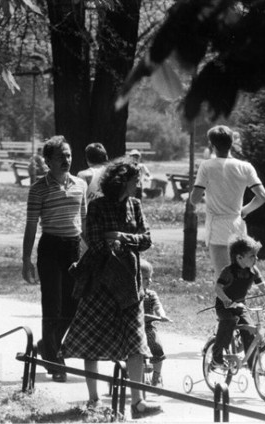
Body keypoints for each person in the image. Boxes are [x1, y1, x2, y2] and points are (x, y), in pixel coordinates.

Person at [60, 158, 163, 418]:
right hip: (100, 283)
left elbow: (146, 239)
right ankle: (94, 400)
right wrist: (112, 243)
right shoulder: (97, 206)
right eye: (134, 180)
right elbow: (93, 240)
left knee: (137, 342)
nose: (138, 184)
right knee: (90, 340)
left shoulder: (135, 206)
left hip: (130, 284)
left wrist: (121, 238)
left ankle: (138, 402)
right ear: (121, 182)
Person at [22, 136, 87, 382]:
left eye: (69, 155)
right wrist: (26, 259)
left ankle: (46, 345)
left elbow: (84, 223)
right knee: (52, 306)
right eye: (61, 157)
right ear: (48, 161)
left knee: (73, 306)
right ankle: (54, 361)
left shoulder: (79, 184)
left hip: (73, 249)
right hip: (50, 247)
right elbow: (30, 226)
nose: (66, 160)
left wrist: (93, 252)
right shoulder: (39, 188)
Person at [189, 125, 265, 280]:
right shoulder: (246, 167)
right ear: (231, 143)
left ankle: (224, 304)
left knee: (222, 275)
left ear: (211, 145)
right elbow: (262, 196)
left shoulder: (207, 166)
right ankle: (239, 303)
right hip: (237, 224)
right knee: (241, 272)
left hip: (217, 224)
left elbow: (194, 199)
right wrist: (244, 211)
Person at [210, 235, 265, 369]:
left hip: (240, 306)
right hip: (224, 306)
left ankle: (252, 363)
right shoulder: (229, 271)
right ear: (239, 258)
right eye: (252, 256)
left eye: (256, 255)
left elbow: (263, 286)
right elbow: (218, 288)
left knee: (250, 329)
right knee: (228, 322)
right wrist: (226, 300)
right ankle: (217, 357)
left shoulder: (253, 270)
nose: (256, 259)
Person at [140, 259, 170, 387]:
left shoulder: (151, 295)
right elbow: (139, 316)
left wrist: (161, 315)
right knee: (134, 350)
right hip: (133, 328)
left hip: (147, 328)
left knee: (157, 346)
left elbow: (158, 306)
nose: (149, 281)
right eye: (145, 278)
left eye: (150, 277)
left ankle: (156, 376)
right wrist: (156, 318)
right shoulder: (132, 295)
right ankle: (134, 375)